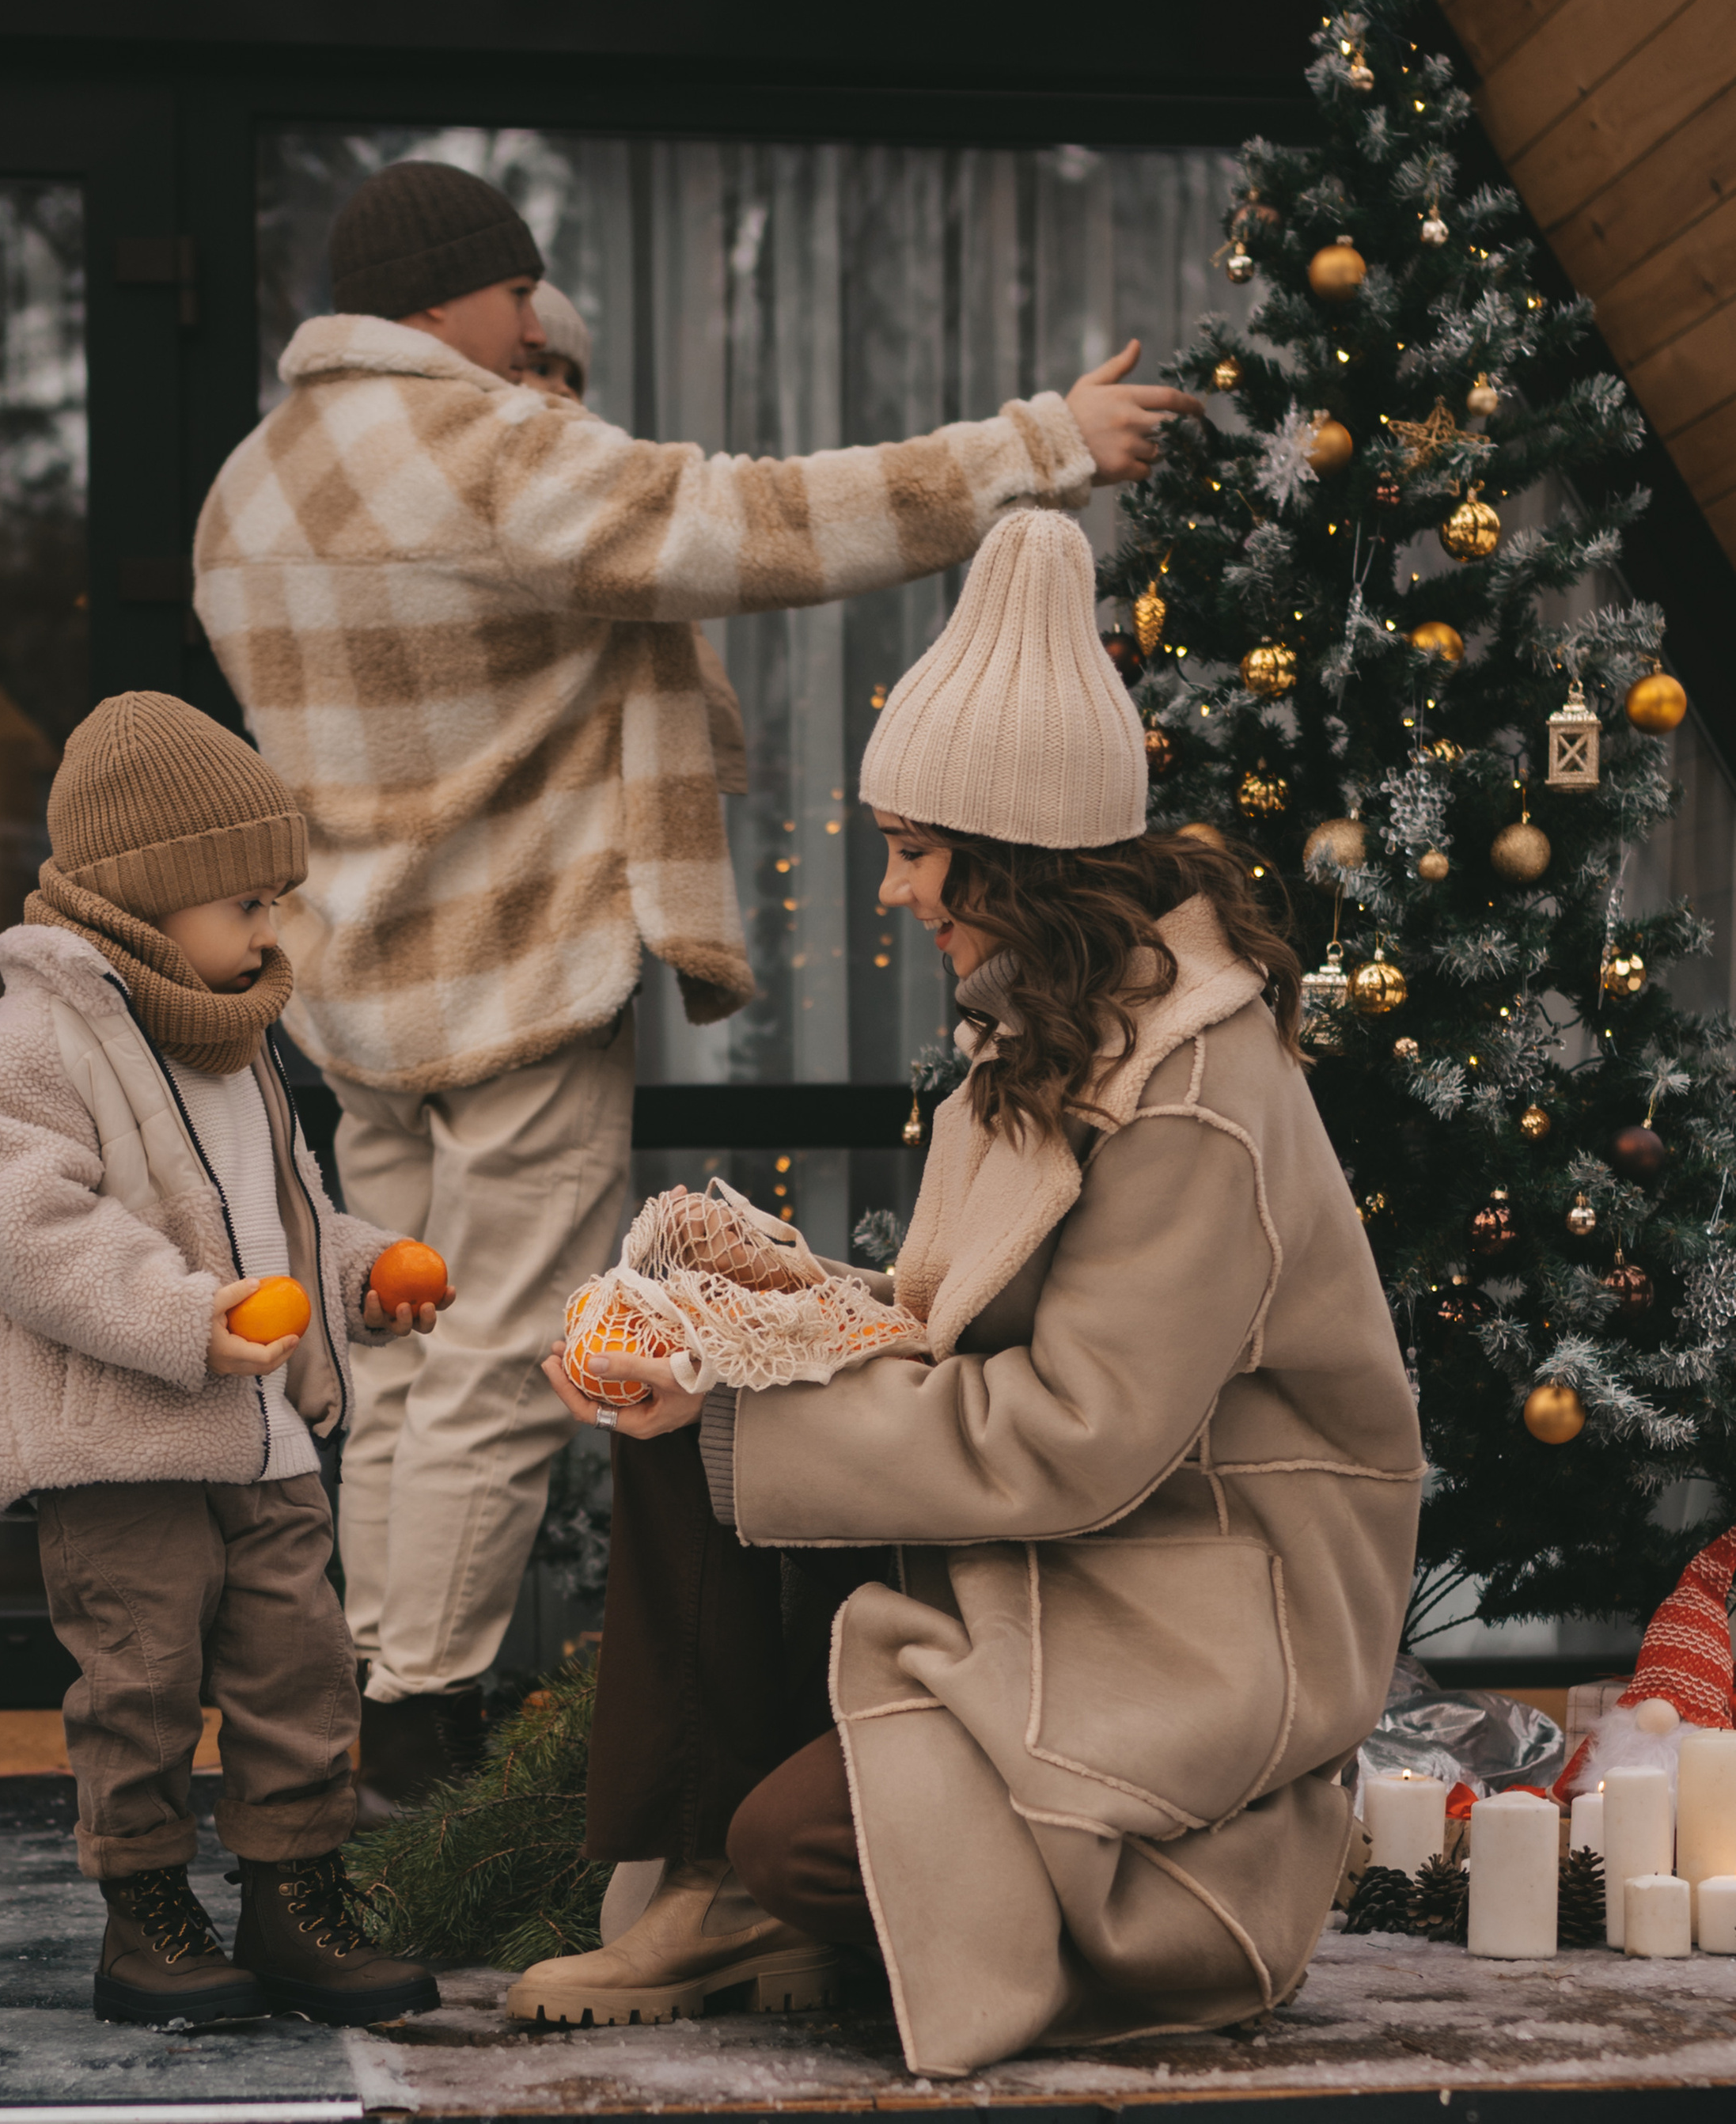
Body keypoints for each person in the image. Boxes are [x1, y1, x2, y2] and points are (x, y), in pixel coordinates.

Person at [191, 159, 1200, 1814]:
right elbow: (755, 518)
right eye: (517, 295)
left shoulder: (248, 483)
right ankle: (421, 1714)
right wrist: (1040, 445)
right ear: (451, 296)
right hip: (512, 964)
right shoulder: (480, 447)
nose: (535, 325)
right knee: (505, 1343)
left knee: (389, 1349)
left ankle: (349, 1680)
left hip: (345, 981)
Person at [520, 510, 1423, 2078]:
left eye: (914, 852)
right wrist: (775, 1307)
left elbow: (1076, 1434)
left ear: (1015, 854)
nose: (894, 894)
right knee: (677, 1398)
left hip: (1184, 1605)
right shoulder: (1040, 1033)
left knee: (813, 1827)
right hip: (1063, 1549)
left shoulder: (1192, 1088)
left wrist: (762, 1392)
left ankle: (767, 1873)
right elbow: (962, 1332)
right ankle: (706, 1887)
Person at [0, 692, 451, 2031]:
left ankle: (295, 1893)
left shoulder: (231, 1043)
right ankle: (145, 1910)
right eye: (247, 906)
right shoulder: (29, 1046)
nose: (271, 931)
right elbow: (19, 1225)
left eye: (278, 902)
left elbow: (286, 1211)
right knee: (141, 1678)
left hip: (260, 1436)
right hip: (122, 1442)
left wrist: (355, 1274)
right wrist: (181, 1316)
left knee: (300, 1667)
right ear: (150, 903)